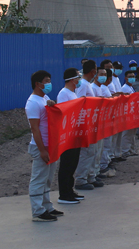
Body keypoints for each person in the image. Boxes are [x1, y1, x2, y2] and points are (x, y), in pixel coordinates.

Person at [25, 70, 63, 222]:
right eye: (46, 81)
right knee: (38, 179)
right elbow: (35, 129)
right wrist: (42, 150)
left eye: (49, 80)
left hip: (50, 145)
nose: (49, 84)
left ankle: (47, 206)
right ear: (37, 84)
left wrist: (52, 105)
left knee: (47, 179)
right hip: (41, 147)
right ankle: (37, 211)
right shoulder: (32, 103)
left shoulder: (44, 98)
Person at [74, 60, 104, 190]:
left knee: (93, 151)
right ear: (93, 71)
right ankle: (81, 179)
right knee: (86, 152)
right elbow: (80, 103)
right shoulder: (83, 85)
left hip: (92, 122)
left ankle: (91, 176)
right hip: (86, 123)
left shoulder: (87, 85)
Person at [56, 68, 84, 205]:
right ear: (73, 79)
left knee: (73, 163)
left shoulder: (73, 93)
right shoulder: (64, 93)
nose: (79, 80)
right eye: (78, 77)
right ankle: (64, 194)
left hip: (75, 133)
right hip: (68, 134)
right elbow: (64, 113)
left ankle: (70, 189)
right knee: (66, 164)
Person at [119, 71, 139, 158]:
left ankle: (131, 150)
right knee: (127, 133)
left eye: (133, 76)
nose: (132, 78)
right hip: (127, 113)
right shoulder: (124, 88)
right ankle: (125, 151)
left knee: (132, 133)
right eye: (130, 76)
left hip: (132, 113)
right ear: (126, 78)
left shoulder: (131, 87)